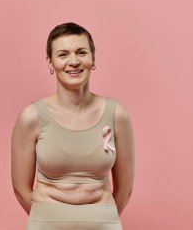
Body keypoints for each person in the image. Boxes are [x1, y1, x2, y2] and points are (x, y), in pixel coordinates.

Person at [10, 22, 135, 229]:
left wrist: (102, 219)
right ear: (50, 63)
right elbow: (21, 189)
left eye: (81, 52)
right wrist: (49, 219)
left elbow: (125, 190)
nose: (74, 61)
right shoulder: (31, 117)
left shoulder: (117, 114)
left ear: (93, 58)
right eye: (63, 54)